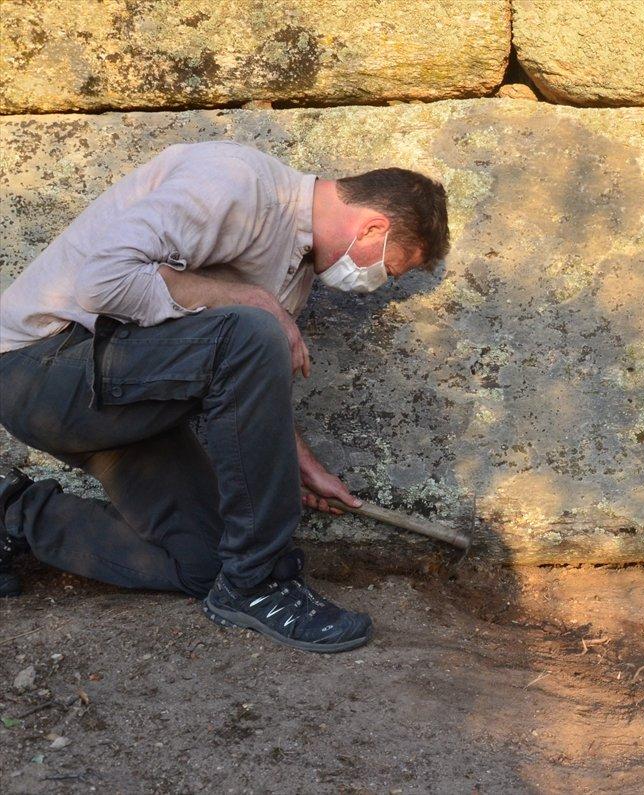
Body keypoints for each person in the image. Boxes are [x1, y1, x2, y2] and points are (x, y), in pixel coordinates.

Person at [0, 141, 449, 654]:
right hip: (38, 369)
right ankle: (259, 586)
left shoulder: (296, 271)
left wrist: (296, 461)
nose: (375, 285)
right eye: (389, 270)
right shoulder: (239, 183)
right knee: (253, 330)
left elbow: (239, 372)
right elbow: (103, 281)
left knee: (206, 563)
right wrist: (254, 302)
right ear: (371, 228)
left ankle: (17, 514)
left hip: (121, 405)